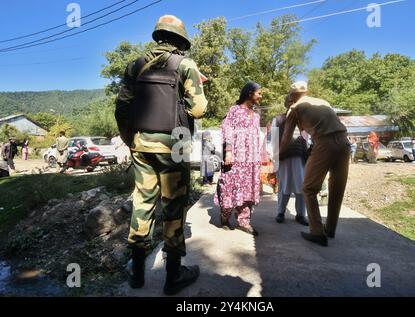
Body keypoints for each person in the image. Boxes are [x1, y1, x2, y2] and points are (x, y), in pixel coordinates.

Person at [115, 15, 208, 294]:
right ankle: (173, 276)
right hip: (175, 145)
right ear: (180, 40)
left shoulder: (135, 65)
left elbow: (121, 107)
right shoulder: (185, 64)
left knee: (142, 203)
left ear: (158, 37)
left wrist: (129, 138)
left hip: (141, 143)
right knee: (174, 208)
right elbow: (199, 109)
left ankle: (138, 273)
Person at [280, 81, 350, 247]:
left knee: (309, 189)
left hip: (324, 144)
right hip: (344, 143)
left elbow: (286, 138)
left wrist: (280, 155)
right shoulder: (323, 102)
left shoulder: (294, 108)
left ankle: (317, 232)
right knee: (336, 188)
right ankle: (330, 229)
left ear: (291, 96)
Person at [214, 82, 262, 236]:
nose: (260, 96)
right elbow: (226, 130)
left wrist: (261, 155)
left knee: (248, 189)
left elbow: (256, 137)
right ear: (249, 93)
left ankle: (244, 221)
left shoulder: (256, 116)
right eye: (259, 93)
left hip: (250, 160)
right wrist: (228, 152)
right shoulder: (234, 110)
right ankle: (225, 217)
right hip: (234, 158)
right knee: (229, 186)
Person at [272, 82, 309, 225]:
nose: (293, 104)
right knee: (284, 186)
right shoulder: (278, 119)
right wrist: (275, 158)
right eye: (291, 101)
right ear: (287, 103)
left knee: (302, 186)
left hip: (300, 157)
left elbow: (309, 137)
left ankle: (300, 215)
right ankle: (280, 212)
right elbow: (274, 140)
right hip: (284, 157)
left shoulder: (305, 118)